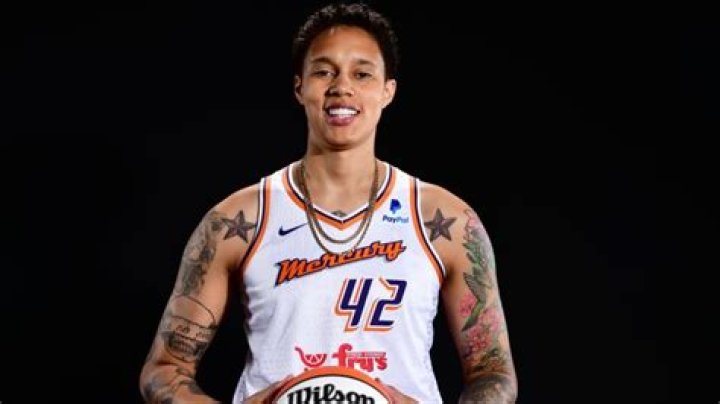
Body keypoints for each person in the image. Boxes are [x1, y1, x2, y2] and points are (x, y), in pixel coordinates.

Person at [139, 2, 517, 403]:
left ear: (388, 90)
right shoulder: (238, 220)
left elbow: (493, 374)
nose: (341, 87)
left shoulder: (445, 221)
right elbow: (164, 370)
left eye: (362, 73)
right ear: (299, 87)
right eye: (323, 71)